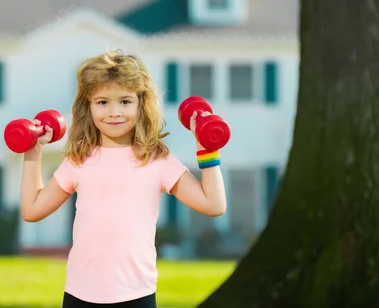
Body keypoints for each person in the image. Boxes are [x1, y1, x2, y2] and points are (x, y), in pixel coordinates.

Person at [19, 50, 227, 308]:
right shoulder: (79, 159)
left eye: (125, 102)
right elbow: (32, 210)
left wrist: (207, 148)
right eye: (103, 102)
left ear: (141, 105)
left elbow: (214, 205)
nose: (114, 112)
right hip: (80, 295)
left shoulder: (157, 160)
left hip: (136, 295)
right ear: (88, 106)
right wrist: (32, 153)